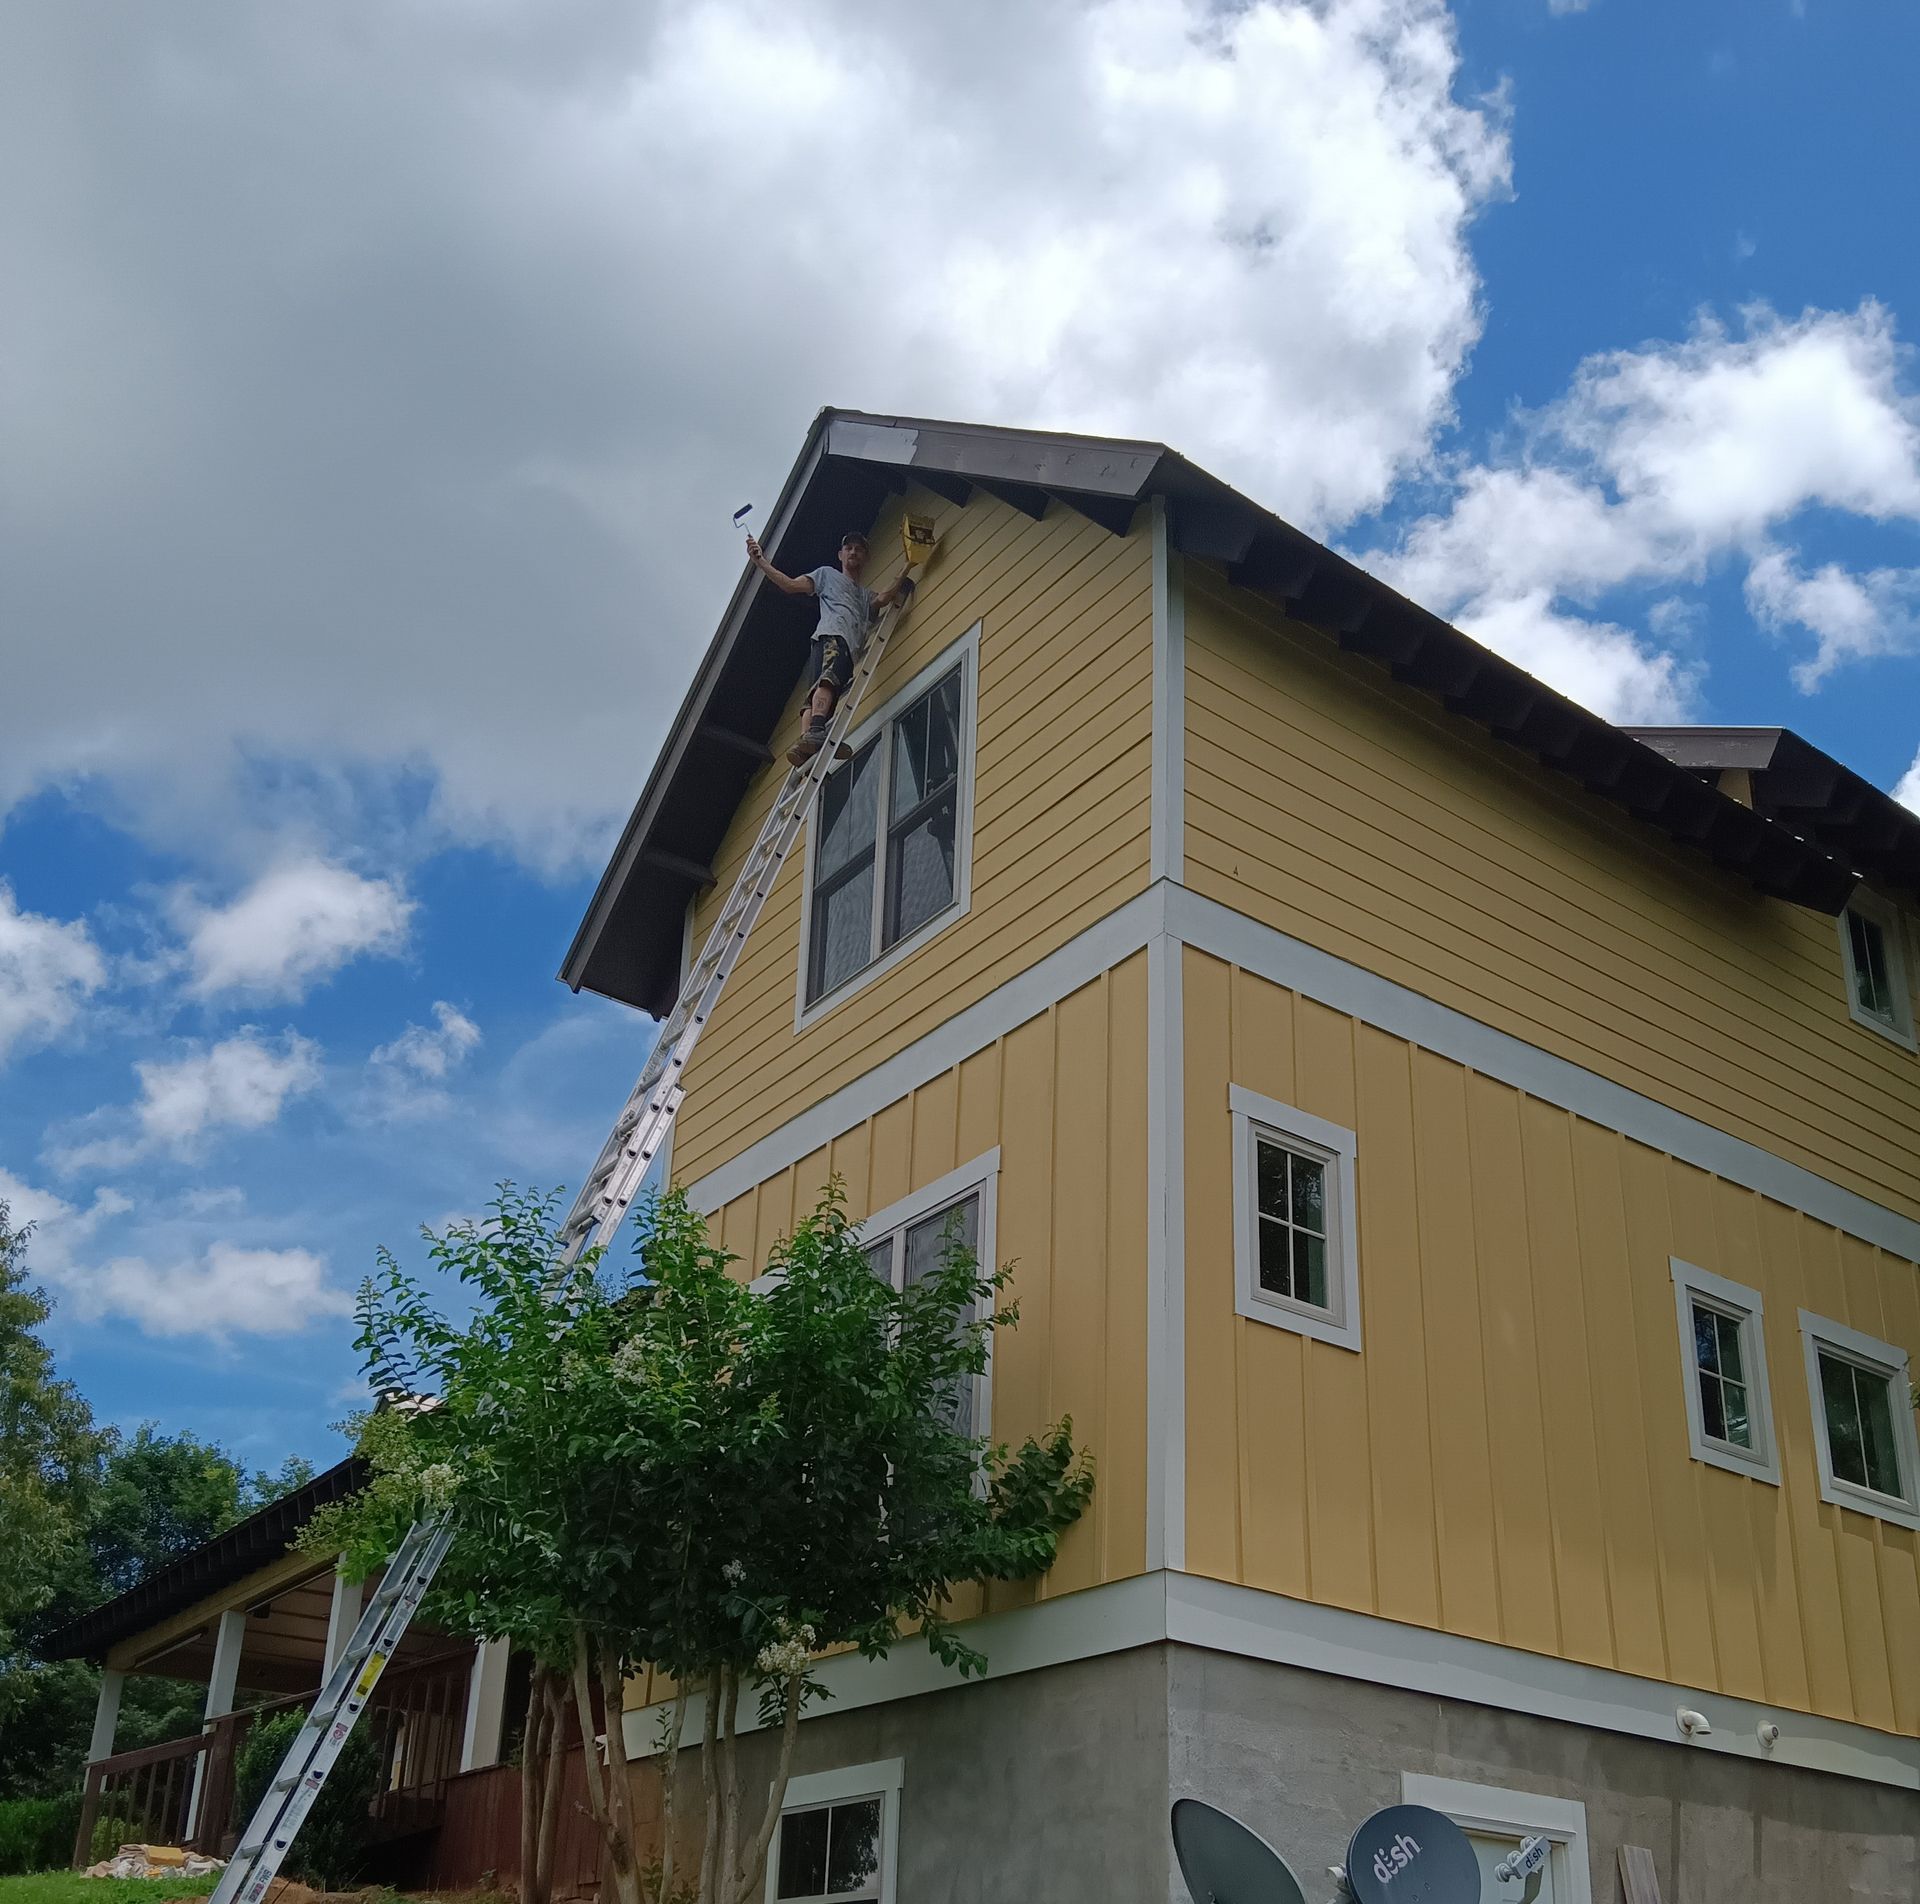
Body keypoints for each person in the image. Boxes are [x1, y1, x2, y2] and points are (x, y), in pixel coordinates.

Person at [746, 530, 914, 764]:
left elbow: (884, 598)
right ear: (840, 555)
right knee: (829, 681)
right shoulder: (827, 575)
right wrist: (760, 561)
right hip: (834, 637)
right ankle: (815, 731)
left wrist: (908, 566)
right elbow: (790, 585)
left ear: (866, 558)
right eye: (849, 548)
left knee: (818, 693)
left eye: (859, 549)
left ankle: (806, 746)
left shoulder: (864, 597)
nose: (853, 551)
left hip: (840, 645)